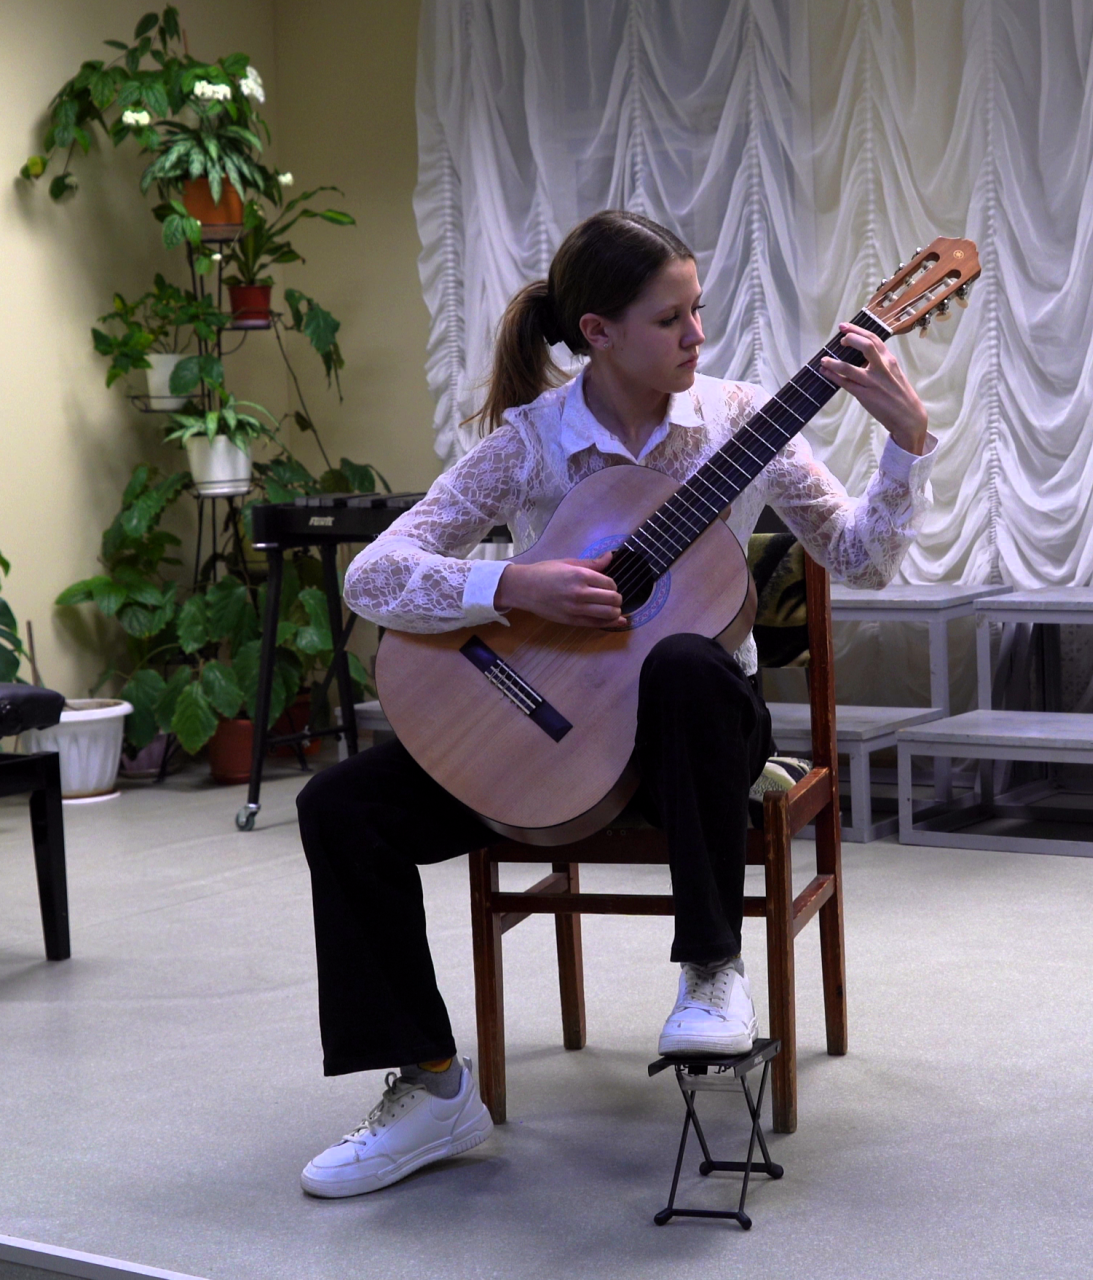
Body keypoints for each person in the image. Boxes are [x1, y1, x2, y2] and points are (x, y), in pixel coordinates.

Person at [296, 210, 936, 1198]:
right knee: (338, 806)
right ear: (596, 331)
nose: (696, 336)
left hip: (700, 745)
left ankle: (711, 973)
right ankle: (431, 1087)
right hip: (555, 736)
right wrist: (515, 586)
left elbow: (860, 556)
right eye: (670, 318)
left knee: (682, 662)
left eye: (698, 310)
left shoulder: (739, 419)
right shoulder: (529, 442)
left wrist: (906, 442)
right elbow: (374, 575)